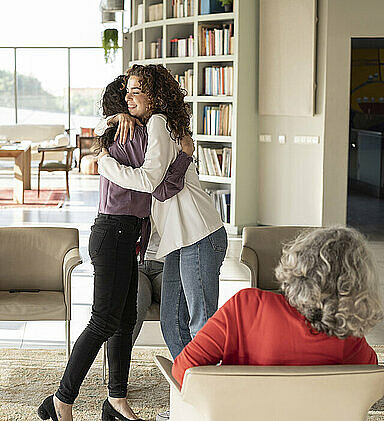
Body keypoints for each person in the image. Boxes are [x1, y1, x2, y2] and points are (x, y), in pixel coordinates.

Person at [37, 75, 193, 421]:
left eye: (139, 92)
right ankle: (61, 399)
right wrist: (181, 154)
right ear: (122, 107)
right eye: (130, 96)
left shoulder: (128, 131)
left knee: (124, 320)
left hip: (124, 234)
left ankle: (116, 401)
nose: (135, 99)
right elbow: (158, 184)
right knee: (104, 321)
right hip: (113, 233)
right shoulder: (128, 132)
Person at [96, 64, 228, 362]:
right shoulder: (159, 124)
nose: (129, 97)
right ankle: (189, 392)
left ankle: (210, 399)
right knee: (173, 323)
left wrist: (104, 162)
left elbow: (148, 181)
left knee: (200, 324)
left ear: (154, 96)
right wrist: (114, 119)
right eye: (126, 92)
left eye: (137, 91)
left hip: (198, 233)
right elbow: (164, 187)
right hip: (181, 238)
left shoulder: (157, 121)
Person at [172, 226, 383, 386]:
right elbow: (369, 383)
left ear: (298, 261)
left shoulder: (246, 305)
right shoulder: (347, 337)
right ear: (358, 284)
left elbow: (183, 371)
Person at [132, 232, 163, 344]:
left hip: (166, 265)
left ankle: (184, 358)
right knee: (138, 295)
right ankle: (121, 358)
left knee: (173, 298)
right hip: (136, 265)